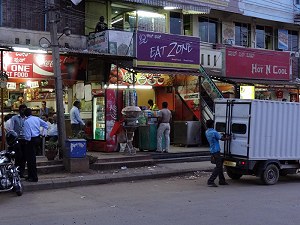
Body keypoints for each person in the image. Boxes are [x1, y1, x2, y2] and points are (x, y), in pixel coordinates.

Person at [23, 108, 48, 182]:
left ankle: (33, 176)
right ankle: (31, 175)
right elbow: (45, 125)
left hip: (31, 140)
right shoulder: (36, 118)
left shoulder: (26, 121)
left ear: (25, 115)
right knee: (32, 158)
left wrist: (27, 141)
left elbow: (27, 135)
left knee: (30, 159)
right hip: (37, 139)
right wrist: (43, 133)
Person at [205, 119, 231, 187]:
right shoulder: (214, 132)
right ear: (212, 124)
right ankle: (210, 181)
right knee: (218, 166)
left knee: (220, 165)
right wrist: (228, 138)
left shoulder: (207, 132)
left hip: (212, 150)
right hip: (216, 151)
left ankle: (222, 180)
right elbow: (221, 139)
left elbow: (218, 137)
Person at [10, 104, 27, 178]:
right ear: (19, 110)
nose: (24, 111)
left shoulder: (27, 119)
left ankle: (22, 172)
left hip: (25, 139)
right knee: (18, 156)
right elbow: (11, 128)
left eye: (25, 110)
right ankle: (17, 172)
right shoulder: (14, 118)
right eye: (23, 110)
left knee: (24, 157)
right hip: (17, 139)